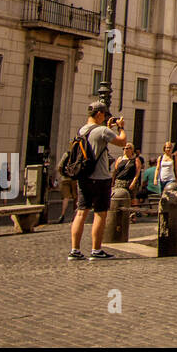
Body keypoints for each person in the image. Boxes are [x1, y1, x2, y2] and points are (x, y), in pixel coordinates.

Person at [68, 102, 127, 261]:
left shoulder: (82, 130)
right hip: (100, 178)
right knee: (100, 214)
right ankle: (96, 250)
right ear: (99, 114)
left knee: (81, 213)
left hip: (84, 177)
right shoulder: (102, 131)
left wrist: (109, 128)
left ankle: (75, 250)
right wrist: (120, 127)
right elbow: (122, 142)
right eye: (104, 114)